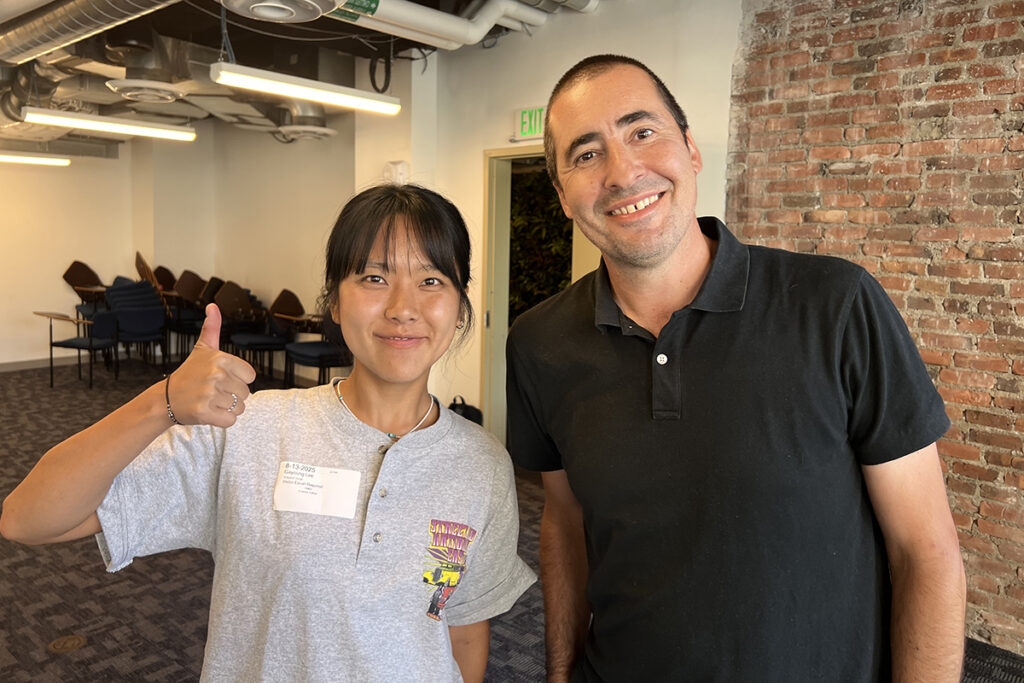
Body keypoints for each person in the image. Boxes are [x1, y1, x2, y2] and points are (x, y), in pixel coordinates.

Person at [505, 54, 966, 682]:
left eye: (643, 132)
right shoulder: (538, 343)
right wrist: (561, 670)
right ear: (561, 196)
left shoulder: (835, 305)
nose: (622, 171)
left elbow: (926, 552)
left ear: (691, 148)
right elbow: (564, 519)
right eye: (586, 155)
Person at [2, 184, 536, 682]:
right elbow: (29, 520)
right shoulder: (249, 432)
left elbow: (464, 630)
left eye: (431, 281)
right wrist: (160, 403)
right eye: (374, 278)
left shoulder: (482, 464)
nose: (402, 308)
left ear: (460, 305)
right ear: (335, 299)